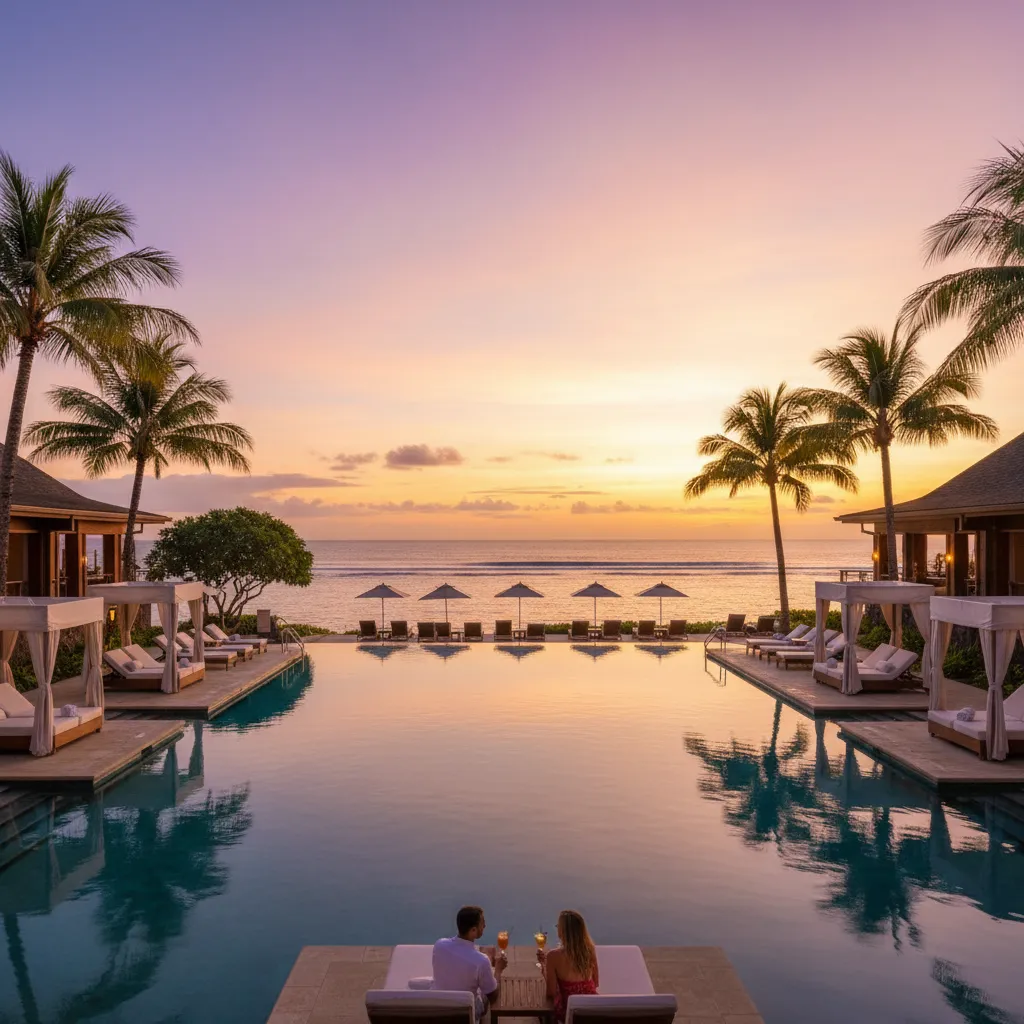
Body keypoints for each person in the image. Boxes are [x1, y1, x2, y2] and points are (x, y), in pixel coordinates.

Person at [432, 905, 506, 1018]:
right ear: (473, 930)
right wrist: (498, 970)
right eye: (482, 923)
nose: (485, 926)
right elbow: (492, 996)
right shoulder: (480, 961)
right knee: (487, 986)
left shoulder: (439, 945)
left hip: (440, 1008)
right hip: (466, 1014)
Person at [538, 910, 599, 1023]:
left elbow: (551, 993)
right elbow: (596, 983)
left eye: (558, 926)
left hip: (570, 1012)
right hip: (593, 1010)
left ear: (562, 931)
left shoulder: (553, 956)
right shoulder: (590, 950)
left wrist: (544, 970)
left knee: (541, 1016)